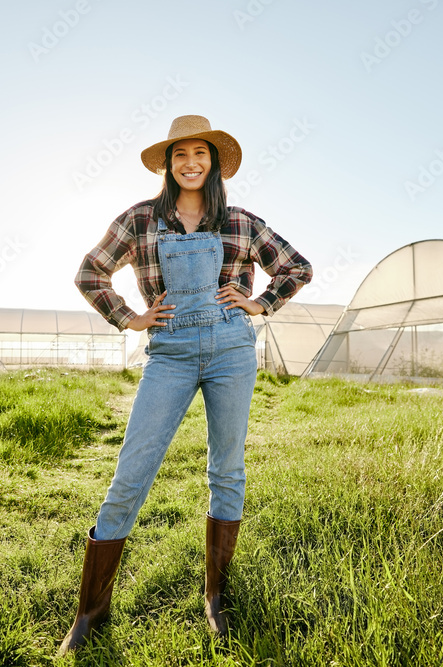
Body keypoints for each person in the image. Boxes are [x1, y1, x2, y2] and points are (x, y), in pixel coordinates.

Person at [60, 114, 312, 654]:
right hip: (169, 353)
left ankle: (215, 599)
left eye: (201, 154)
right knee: (132, 470)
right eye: (180, 155)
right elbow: (90, 272)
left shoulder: (241, 221)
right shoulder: (140, 219)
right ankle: (89, 614)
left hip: (231, 351)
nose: (191, 163)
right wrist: (129, 317)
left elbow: (296, 268)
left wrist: (260, 303)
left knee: (227, 468)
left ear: (214, 163)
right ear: (169, 165)